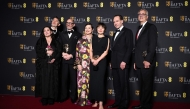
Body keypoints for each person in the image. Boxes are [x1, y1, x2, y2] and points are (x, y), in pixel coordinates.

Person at [132, 9, 158, 109]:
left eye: (143, 14)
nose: (141, 16)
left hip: (146, 62)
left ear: (147, 16)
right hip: (139, 62)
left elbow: (152, 45)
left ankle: (146, 106)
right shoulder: (139, 28)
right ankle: (142, 104)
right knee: (142, 86)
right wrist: (135, 61)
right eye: (139, 14)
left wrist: (148, 60)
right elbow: (138, 47)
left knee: (147, 86)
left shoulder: (151, 27)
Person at [108, 15, 133, 109]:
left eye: (117, 21)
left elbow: (129, 48)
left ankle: (124, 104)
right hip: (114, 63)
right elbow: (113, 50)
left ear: (122, 21)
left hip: (122, 63)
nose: (115, 23)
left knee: (124, 84)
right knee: (116, 84)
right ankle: (117, 102)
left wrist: (125, 61)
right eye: (114, 21)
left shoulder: (128, 32)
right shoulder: (114, 33)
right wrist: (111, 62)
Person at [35, 26, 61, 105]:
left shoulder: (56, 41)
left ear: (51, 32)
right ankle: (44, 97)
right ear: (43, 33)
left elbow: (59, 51)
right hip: (43, 64)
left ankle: (51, 97)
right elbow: (38, 51)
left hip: (53, 64)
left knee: (52, 80)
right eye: (44, 31)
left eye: (48, 30)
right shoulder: (40, 41)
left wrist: (54, 58)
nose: (46, 32)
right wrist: (47, 53)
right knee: (44, 80)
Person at [59, 18, 82, 103]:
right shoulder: (61, 34)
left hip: (73, 60)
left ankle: (73, 96)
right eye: (67, 23)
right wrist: (62, 54)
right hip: (64, 60)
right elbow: (58, 46)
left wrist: (71, 55)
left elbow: (79, 47)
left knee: (73, 79)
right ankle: (64, 96)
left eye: (70, 23)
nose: (68, 24)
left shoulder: (78, 35)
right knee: (64, 80)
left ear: (74, 24)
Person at [89, 23, 109, 109]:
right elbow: (90, 50)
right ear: (96, 29)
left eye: (102, 28)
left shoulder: (107, 39)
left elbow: (106, 51)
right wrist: (92, 59)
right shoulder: (93, 38)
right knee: (94, 81)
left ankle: (101, 103)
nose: (100, 29)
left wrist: (97, 60)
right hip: (93, 61)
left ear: (104, 29)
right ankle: (96, 101)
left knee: (100, 82)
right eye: (99, 28)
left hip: (102, 61)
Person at [75, 23, 94, 106]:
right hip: (82, 64)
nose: (87, 29)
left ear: (92, 29)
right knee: (81, 82)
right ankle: (82, 99)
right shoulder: (80, 40)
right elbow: (77, 53)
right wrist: (78, 64)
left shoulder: (96, 39)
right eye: (86, 28)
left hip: (92, 64)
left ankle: (90, 99)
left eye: (89, 28)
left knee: (91, 82)